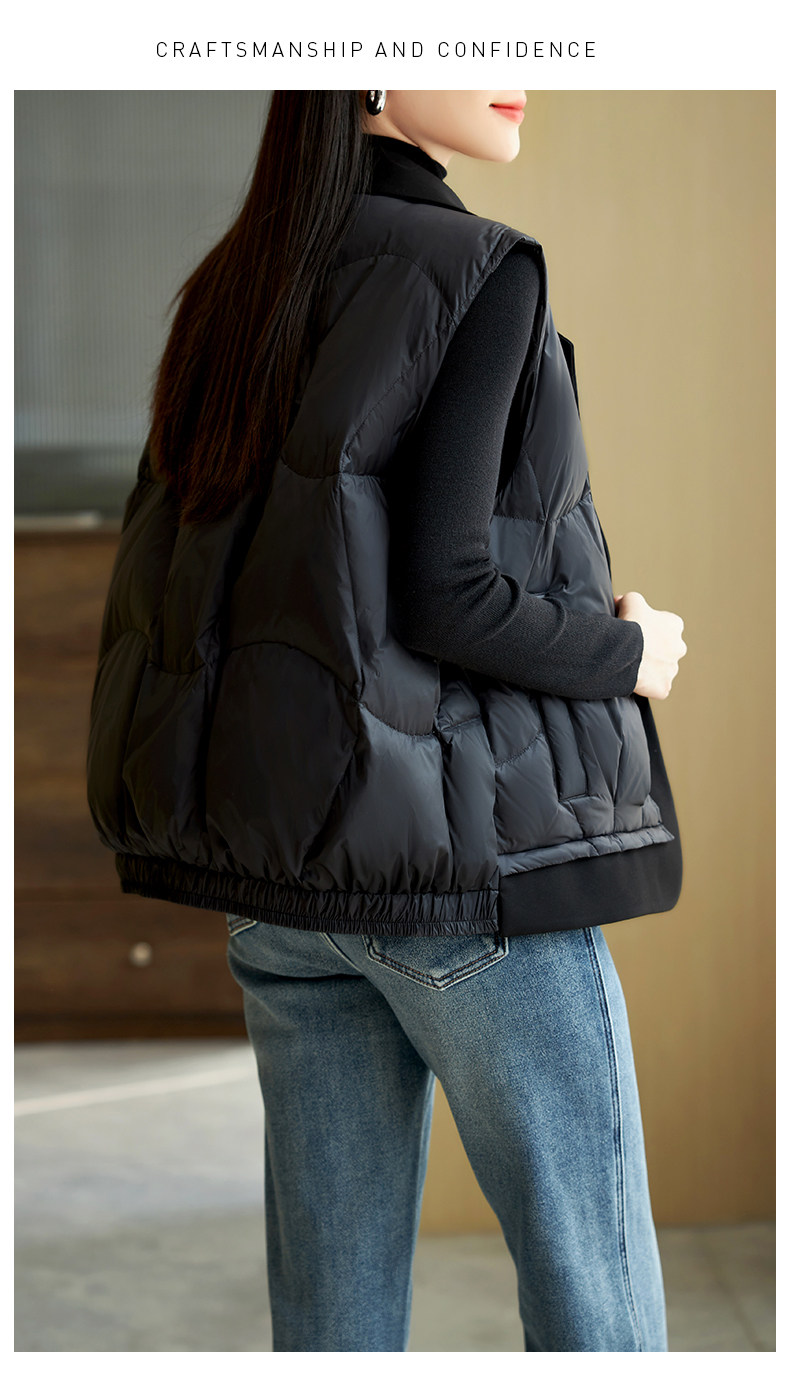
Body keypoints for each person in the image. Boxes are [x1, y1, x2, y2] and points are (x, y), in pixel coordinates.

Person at [87, 91, 687, 1352]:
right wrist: (629, 651)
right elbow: (450, 594)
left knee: (331, 1324)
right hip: (459, 881)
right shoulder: (481, 267)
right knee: (598, 1309)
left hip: (283, 885)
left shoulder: (232, 285)